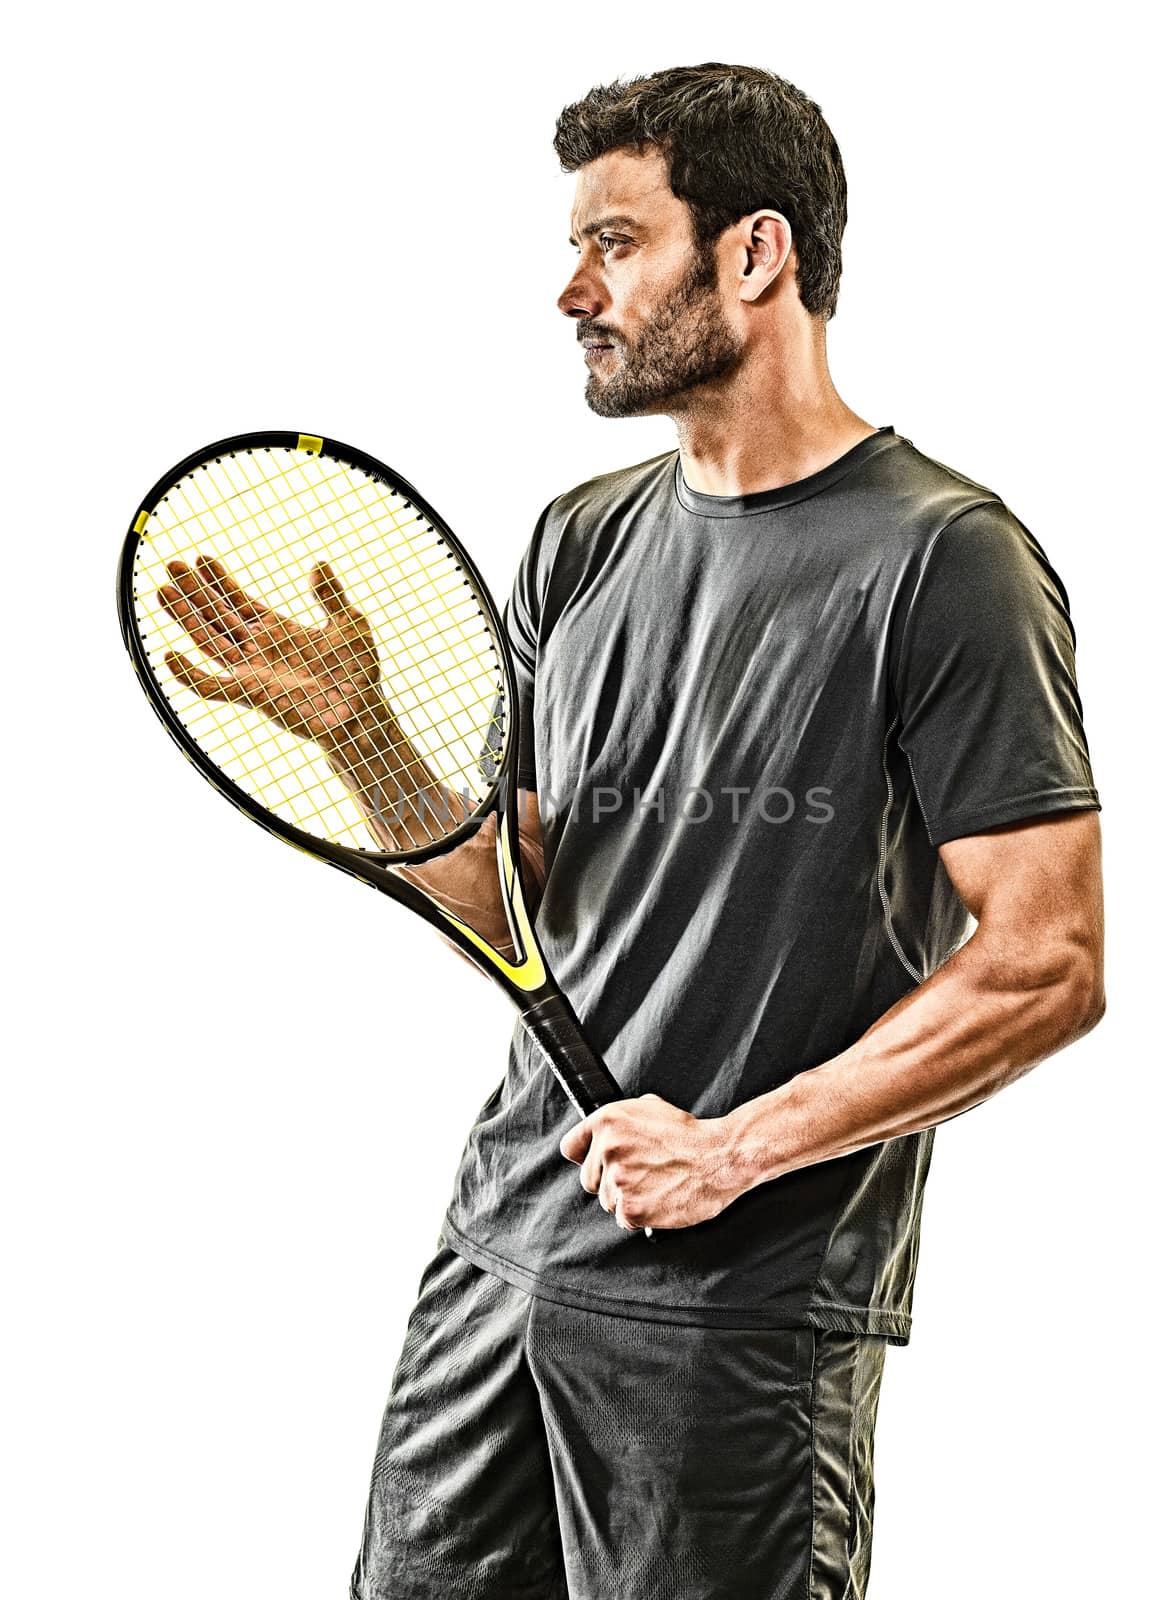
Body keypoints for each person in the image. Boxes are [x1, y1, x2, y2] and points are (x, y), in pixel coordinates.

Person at [164, 61, 1107, 1600]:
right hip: (505, 1245)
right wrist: (364, 737)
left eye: (615, 241)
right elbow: (508, 888)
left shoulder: (948, 562)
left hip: (735, 1306)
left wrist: (734, 1151)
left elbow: (1049, 962)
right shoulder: (584, 537)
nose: (568, 290)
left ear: (753, 255)